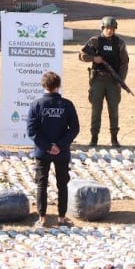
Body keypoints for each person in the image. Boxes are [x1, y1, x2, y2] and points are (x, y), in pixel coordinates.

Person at [26, 71, 80, 228]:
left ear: (43, 86)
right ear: (58, 86)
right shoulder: (67, 105)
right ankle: (62, 218)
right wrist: (60, 145)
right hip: (61, 152)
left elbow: (32, 131)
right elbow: (74, 129)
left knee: (41, 184)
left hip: (43, 152)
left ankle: (42, 218)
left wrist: (48, 146)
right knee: (62, 184)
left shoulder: (36, 104)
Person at [79, 15, 129, 147]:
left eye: (112, 28)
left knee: (114, 110)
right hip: (98, 80)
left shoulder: (119, 43)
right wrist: (93, 59)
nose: (110, 31)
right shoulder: (95, 41)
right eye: (107, 28)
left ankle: (114, 138)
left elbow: (124, 63)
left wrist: (121, 80)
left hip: (113, 81)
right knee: (96, 110)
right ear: (102, 28)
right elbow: (82, 55)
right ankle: (94, 138)